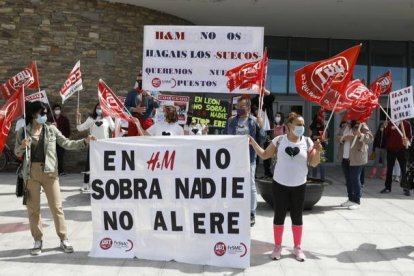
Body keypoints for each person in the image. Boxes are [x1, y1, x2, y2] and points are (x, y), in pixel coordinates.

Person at [14, 101, 95, 256]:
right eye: (42, 113)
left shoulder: (51, 129)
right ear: (33, 114)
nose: (46, 116)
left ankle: (63, 238)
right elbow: (17, 153)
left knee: (57, 207)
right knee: (33, 209)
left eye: (46, 113)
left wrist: (84, 142)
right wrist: (23, 146)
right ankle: (38, 240)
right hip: (31, 174)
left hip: (50, 172)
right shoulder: (23, 132)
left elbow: (66, 143)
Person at [249, 112, 321, 261]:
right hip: (280, 185)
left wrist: (318, 150)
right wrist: (253, 143)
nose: (301, 127)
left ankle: (297, 248)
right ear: (289, 126)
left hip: (299, 185)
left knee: (297, 216)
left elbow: (313, 163)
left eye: (302, 125)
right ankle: (277, 247)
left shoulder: (307, 142)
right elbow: (263, 155)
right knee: (279, 216)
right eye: (298, 124)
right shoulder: (279, 140)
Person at [224, 96, 263, 227]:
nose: (239, 109)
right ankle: (233, 209)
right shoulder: (231, 121)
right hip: (233, 159)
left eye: (242, 107)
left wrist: (261, 127)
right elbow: (225, 138)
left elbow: (261, 140)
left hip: (249, 158)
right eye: (238, 107)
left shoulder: (253, 122)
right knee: (232, 184)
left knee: (250, 185)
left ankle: (251, 213)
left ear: (248, 107)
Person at [76, 103, 114, 192]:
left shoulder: (107, 118)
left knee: (104, 165)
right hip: (93, 145)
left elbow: (114, 128)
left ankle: (105, 183)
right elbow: (80, 128)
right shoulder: (91, 119)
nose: (99, 109)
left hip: (105, 146)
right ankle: (85, 183)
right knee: (89, 165)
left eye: (101, 108)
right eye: (97, 108)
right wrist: (78, 118)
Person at [338, 120, 373, 209]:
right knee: (348, 180)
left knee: (355, 179)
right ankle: (350, 199)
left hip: (356, 158)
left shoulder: (362, 124)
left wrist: (360, 135)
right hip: (345, 157)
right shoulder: (345, 125)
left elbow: (370, 138)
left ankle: (356, 200)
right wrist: (343, 138)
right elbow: (338, 136)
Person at [380, 119, 412, 195]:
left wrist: (407, 141)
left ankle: (406, 188)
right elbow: (385, 135)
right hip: (391, 150)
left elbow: (410, 137)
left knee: (404, 170)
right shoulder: (390, 123)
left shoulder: (406, 124)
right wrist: (385, 127)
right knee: (389, 169)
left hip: (402, 150)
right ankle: (387, 187)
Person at [48, 103, 71, 176]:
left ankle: (60, 171)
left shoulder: (64, 119)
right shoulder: (50, 119)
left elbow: (68, 130)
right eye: (56, 109)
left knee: (60, 156)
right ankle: (52, 171)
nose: (57, 110)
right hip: (52, 140)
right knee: (52, 156)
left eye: (58, 109)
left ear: (60, 110)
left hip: (61, 140)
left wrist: (66, 138)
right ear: (53, 110)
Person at [308, 113, 327, 181]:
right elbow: (310, 136)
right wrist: (318, 137)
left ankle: (322, 178)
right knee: (314, 162)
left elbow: (326, 137)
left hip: (322, 147)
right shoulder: (312, 126)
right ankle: (314, 177)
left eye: (321, 118)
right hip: (313, 146)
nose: (320, 120)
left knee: (322, 163)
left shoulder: (324, 126)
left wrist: (323, 138)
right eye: (319, 118)